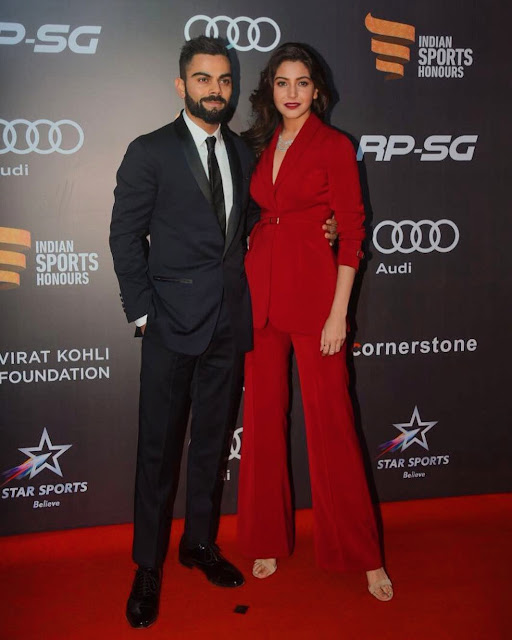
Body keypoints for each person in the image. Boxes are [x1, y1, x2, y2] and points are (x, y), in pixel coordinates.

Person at [110, 36, 338, 629]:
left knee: (211, 446)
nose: (215, 90)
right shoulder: (149, 151)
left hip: (229, 324)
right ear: (181, 85)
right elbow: (124, 237)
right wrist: (144, 314)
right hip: (169, 325)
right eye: (203, 78)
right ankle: (147, 566)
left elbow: (268, 220)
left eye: (224, 80)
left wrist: (326, 227)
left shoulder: (243, 151)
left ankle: (199, 544)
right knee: (159, 452)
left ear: (233, 87)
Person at [237, 43, 393, 602]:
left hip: (316, 301)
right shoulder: (257, 144)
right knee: (261, 424)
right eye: (282, 82)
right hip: (260, 299)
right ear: (270, 89)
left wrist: (338, 314)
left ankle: (362, 554)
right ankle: (264, 538)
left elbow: (351, 233)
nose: (292, 92)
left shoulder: (334, 145)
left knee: (333, 426)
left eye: (302, 82)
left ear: (317, 90)